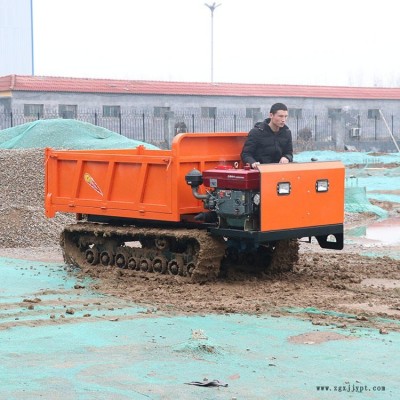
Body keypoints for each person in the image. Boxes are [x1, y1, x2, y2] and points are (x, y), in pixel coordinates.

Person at [241, 103, 293, 169]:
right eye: (280, 116)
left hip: (280, 171)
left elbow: (289, 153)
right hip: (260, 172)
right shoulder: (256, 132)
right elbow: (246, 154)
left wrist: (286, 157)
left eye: (286, 116)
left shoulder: (287, 133)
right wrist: (253, 163)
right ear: (271, 115)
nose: (283, 120)